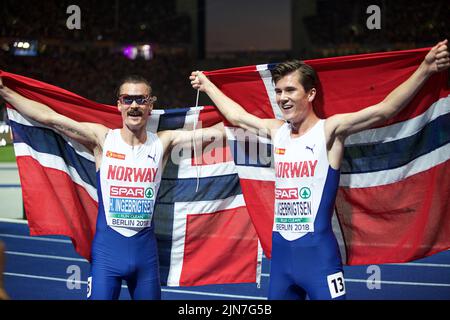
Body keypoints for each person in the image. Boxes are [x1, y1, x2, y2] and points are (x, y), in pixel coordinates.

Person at [190, 40, 450, 300]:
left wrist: (425, 69)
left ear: (311, 94)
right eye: (279, 91)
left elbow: (384, 111)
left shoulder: (329, 131)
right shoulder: (276, 131)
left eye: (290, 90)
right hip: (281, 258)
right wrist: (207, 85)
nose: (283, 98)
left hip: (318, 258)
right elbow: (237, 117)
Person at [0, 74, 223, 300]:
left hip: (145, 259)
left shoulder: (163, 142)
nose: (134, 105)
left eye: (141, 100)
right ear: (119, 104)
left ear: (150, 105)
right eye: (128, 99)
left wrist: (210, 88)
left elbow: (223, 132)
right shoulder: (103, 139)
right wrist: (4, 92)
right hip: (107, 257)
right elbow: (49, 118)